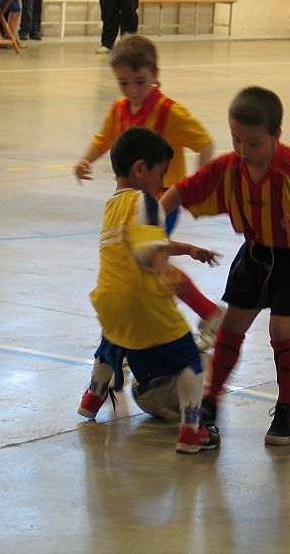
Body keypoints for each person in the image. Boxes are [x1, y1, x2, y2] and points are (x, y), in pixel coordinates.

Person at [161, 86, 290, 445]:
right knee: (231, 326)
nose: (243, 150)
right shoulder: (230, 167)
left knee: (280, 330)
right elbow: (185, 189)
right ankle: (213, 398)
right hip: (256, 253)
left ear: (276, 135)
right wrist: (150, 216)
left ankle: (288, 406)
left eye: (254, 142)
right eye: (236, 139)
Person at [77, 127, 221, 454]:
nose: (163, 183)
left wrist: (187, 249)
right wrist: (162, 270)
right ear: (141, 169)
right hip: (144, 299)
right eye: (161, 174)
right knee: (190, 360)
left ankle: (92, 399)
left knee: (113, 343)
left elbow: (139, 241)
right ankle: (191, 429)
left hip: (109, 300)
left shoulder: (113, 205)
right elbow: (148, 251)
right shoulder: (147, 201)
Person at [74, 35, 223, 349]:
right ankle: (204, 315)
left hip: (162, 201)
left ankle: (173, 326)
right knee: (148, 267)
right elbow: (103, 138)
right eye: (124, 83)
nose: (132, 90)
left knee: (150, 265)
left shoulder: (170, 112)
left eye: (140, 81)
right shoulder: (119, 111)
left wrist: (196, 186)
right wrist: (86, 159)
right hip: (132, 202)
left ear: (156, 74)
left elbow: (204, 142)